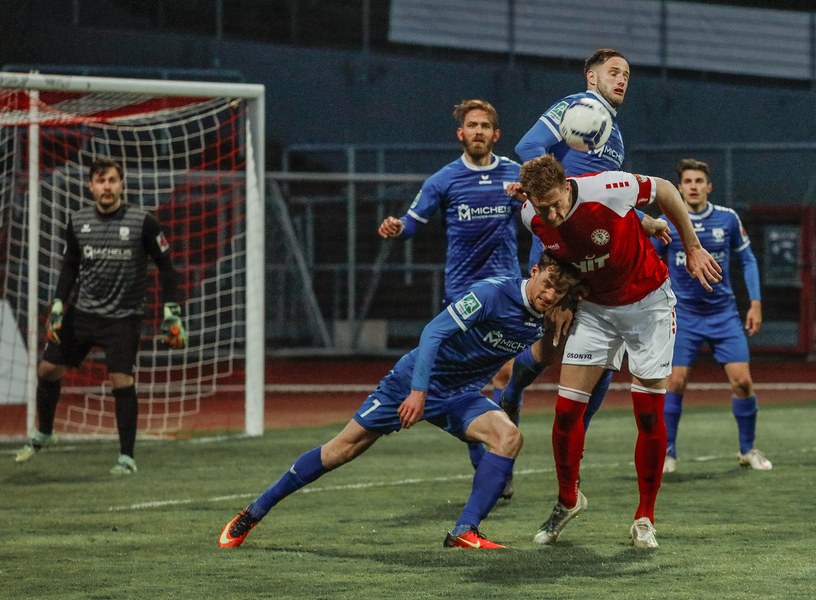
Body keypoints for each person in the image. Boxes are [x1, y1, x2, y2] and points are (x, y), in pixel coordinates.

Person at [218, 252, 581, 550]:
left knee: (509, 437)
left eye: (559, 291)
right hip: (412, 382)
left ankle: (464, 531)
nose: (550, 294)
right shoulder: (492, 293)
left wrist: (555, 332)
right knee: (339, 451)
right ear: (534, 271)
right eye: (547, 284)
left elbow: (544, 358)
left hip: (460, 395)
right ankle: (254, 511)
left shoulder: (543, 317)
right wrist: (418, 392)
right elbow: (433, 332)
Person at [514, 154, 721, 549]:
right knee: (565, 412)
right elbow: (559, 253)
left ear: (568, 186)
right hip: (595, 310)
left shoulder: (607, 187)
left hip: (648, 305)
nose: (552, 215)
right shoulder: (531, 215)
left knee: (647, 412)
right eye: (543, 208)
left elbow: (665, 189)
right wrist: (563, 298)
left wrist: (692, 246)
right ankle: (568, 500)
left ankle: (645, 517)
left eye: (556, 203)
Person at [377, 99, 523, 488]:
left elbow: (547, 211)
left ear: (496, 134)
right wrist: (397, 227)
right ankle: (483, 456)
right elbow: (412, 221)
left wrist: (528, 199)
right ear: (461, 133)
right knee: (465, 379)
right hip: (463, 292)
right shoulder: (443, 180)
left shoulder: (515, 174)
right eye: (472, 125)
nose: (478, 131)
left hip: (506, 290)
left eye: (485, 126)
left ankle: (501, 458)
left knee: (507, 371)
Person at [14, 157, 187, 474]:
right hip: (83, 312)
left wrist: (172, 311)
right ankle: (45, 432)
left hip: (124, 317)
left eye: (112, 180)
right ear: (91, 186)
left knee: (121, 379)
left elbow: (167, 267)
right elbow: (70, 266)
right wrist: (57, 305)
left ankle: (126, 457)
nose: (106, 186)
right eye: (100, 180)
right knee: (47, 369)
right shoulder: (78, 221)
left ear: (122, 184)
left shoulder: (143, 222)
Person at [507, 48, 636, 432]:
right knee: (551, 345)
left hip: (597, 251)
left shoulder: (615, 134)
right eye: (613, 72)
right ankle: (511, 392)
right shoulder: (577, 106)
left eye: (626, 75)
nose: (621, 79)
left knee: (605, 358)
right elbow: (528, 147)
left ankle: (573, 447)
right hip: (560, 248)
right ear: (591, 77)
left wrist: (641, 220)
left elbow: (605, 199)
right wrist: (549, 194)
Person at [652, 158, 771, 473]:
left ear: (709, 187)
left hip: (723, 315)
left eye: (698, 181)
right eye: (687, 181)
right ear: (679, 188)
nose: (693, 186)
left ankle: (747, 450)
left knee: (743, 382)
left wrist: (755, 303)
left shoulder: (727, 219)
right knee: (675, 382)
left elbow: (748, 260)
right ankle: (668, 453)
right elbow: (648, 260)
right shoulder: (666, 222)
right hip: (684, 316)